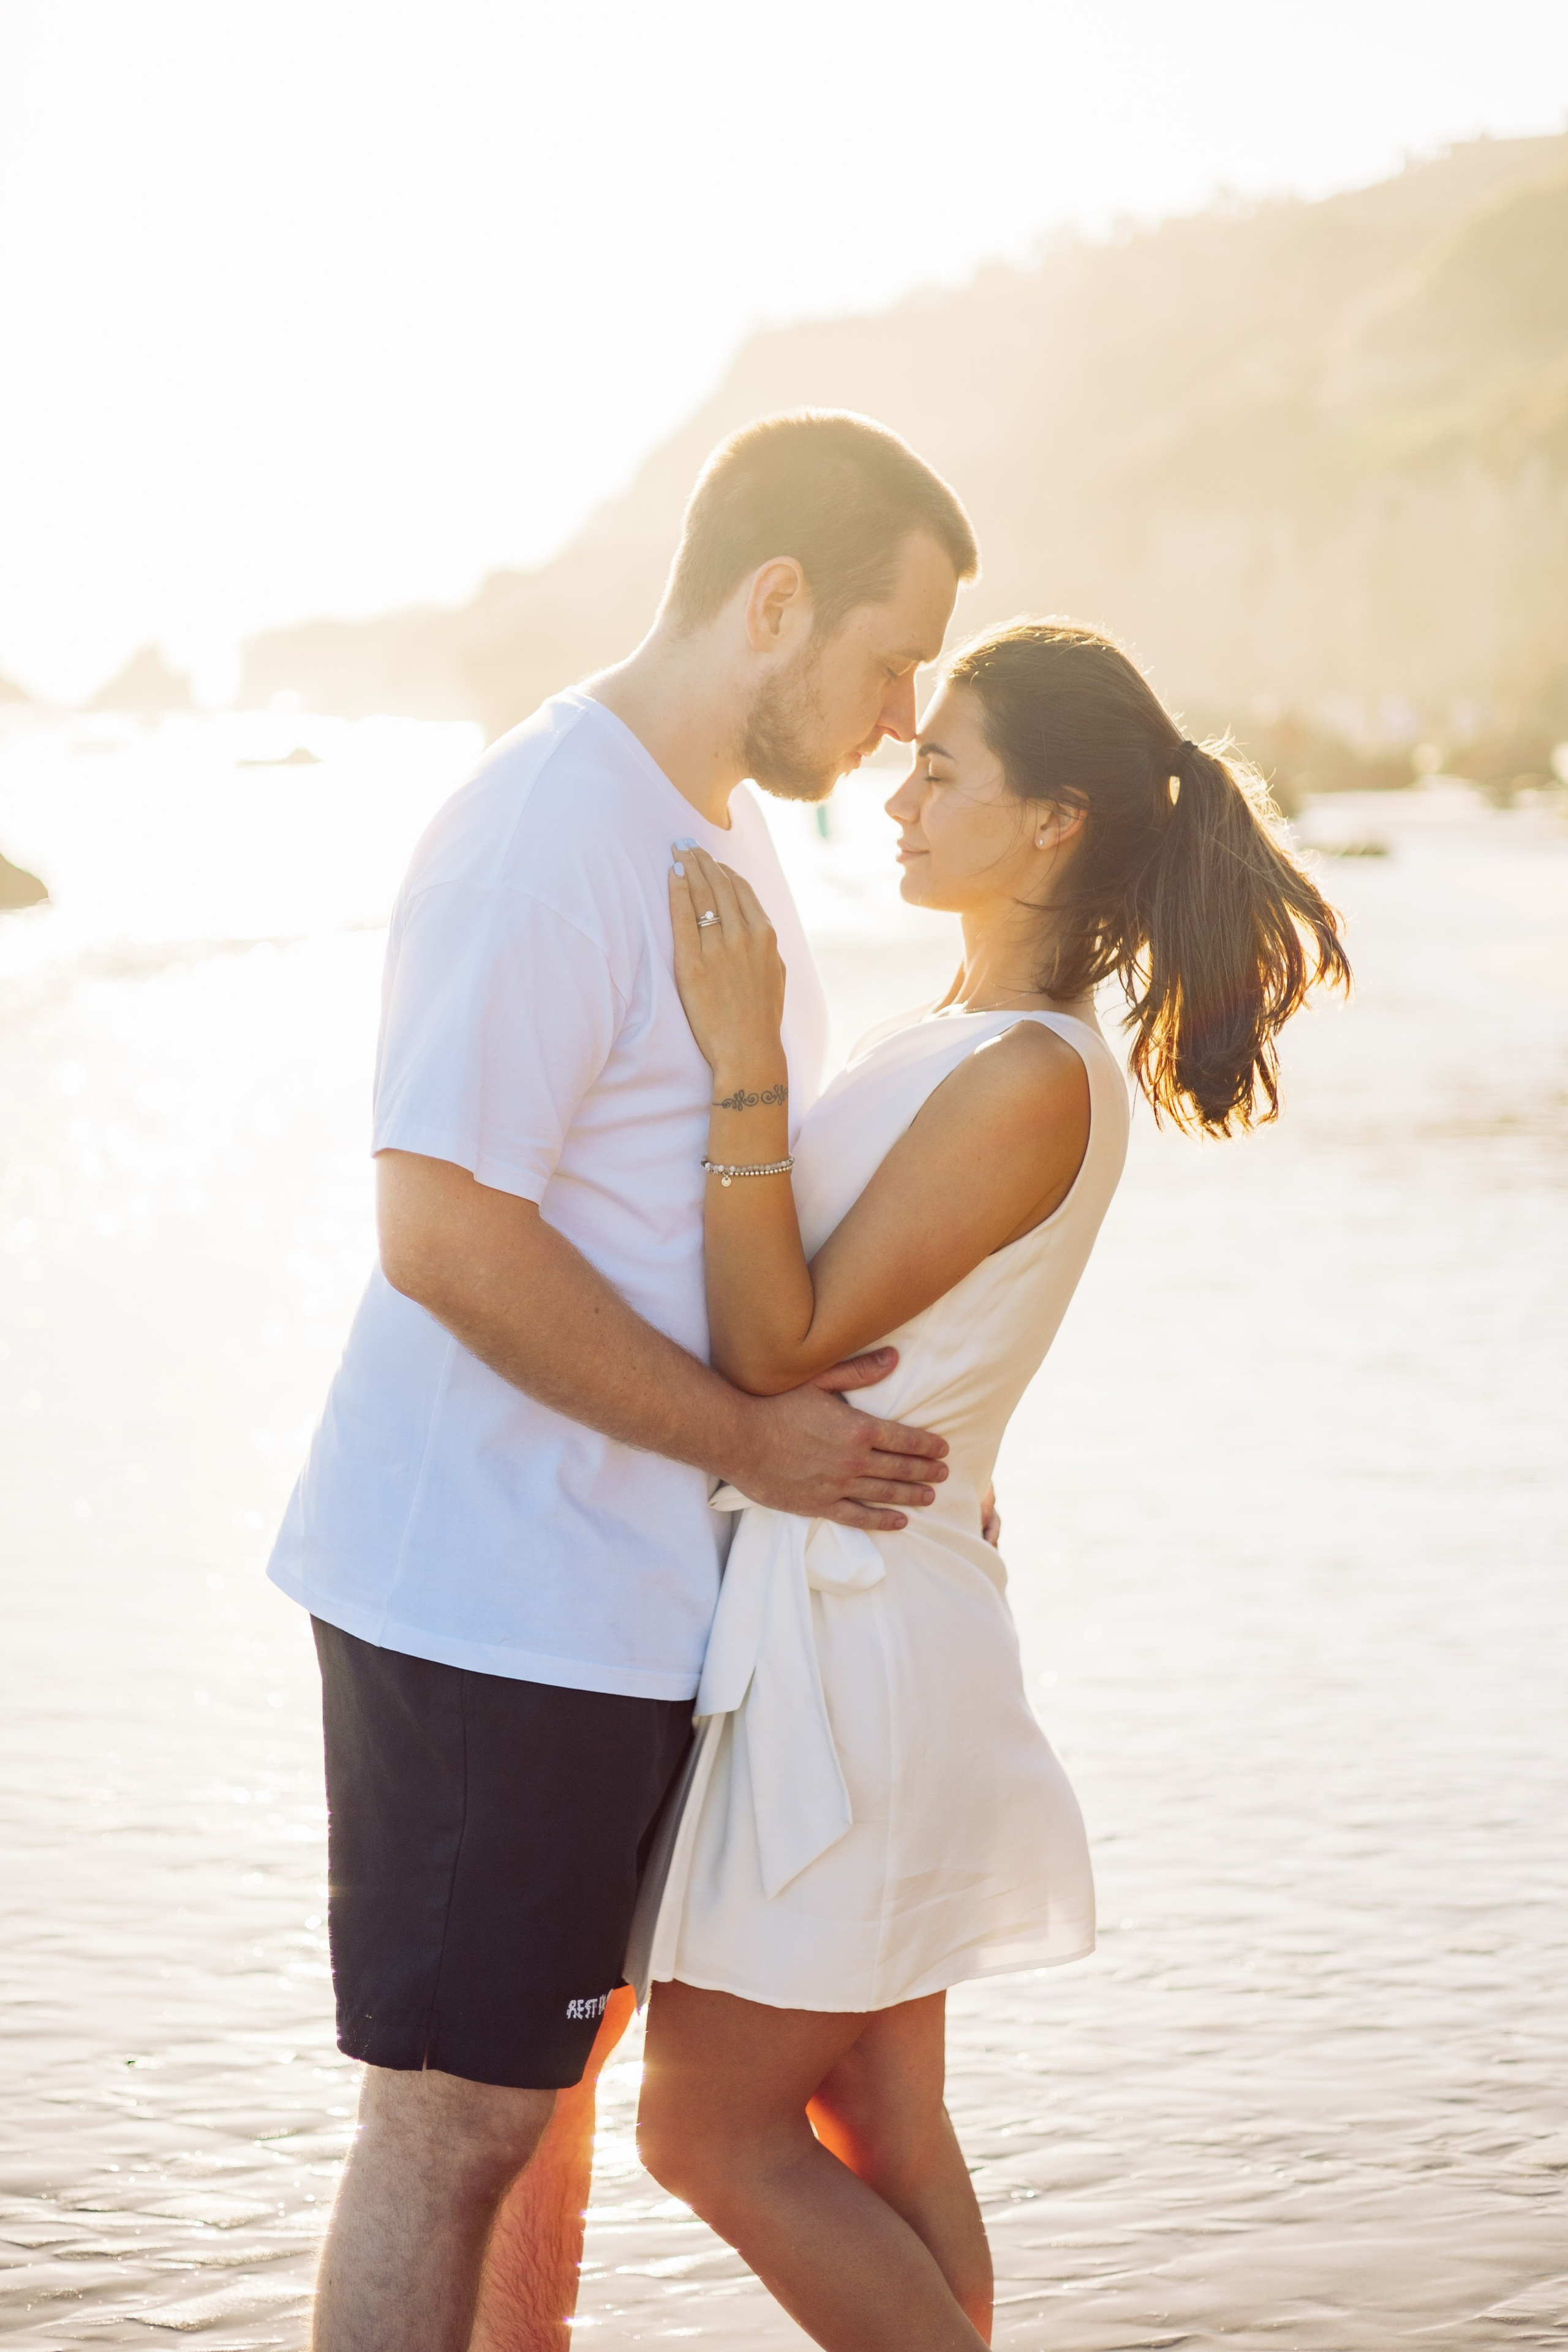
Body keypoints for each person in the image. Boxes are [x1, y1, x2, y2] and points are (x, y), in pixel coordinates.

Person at [264, 410, 981, 2352]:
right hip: (483, 1595)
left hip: (630, 1601)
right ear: (775, 602)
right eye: (888, 659)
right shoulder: (546, 835)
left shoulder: (717, 826)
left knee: (544, 2110)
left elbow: (717, 1201)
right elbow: (442, 1235)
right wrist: (755, 1442)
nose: (903, 718)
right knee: (453, 2127)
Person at [632, 619, 1351, 2350]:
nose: (898, 794)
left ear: (1051, 822)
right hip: (871, 1605)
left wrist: (743, 1060)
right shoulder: (954, 1035)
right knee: (877, 2118)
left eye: (943, 767)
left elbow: (773, 1342)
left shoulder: (1029, 1072)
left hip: (858, 1649)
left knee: (706, 2134)